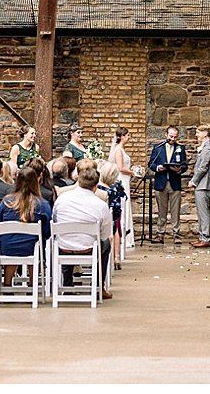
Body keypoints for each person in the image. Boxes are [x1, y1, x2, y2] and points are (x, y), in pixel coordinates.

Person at [52, 161, 114, 300]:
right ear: (95, 186)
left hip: (64, 246)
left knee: (65, 238)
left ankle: (68, 285)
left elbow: (55, 219)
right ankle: (99, 286)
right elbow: (105, 234)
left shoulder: (62, 198)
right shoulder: (100, 205)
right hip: (89, 247)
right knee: (105, 244)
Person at [0, 165, 52, 286]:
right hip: (32, 248)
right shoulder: (42, 204)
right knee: (38, 242)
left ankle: (7, 283)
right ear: (36, 181)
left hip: (7, 248)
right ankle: (33, 283)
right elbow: (47, 231)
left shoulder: (6, 202)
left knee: (11, 240)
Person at [148, 126, 188, 243]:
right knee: (161, 210)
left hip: (174, 182)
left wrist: (179, 169)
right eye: (171, 136)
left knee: (175, 210)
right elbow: (151, 163)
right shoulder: (158, 147)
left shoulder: (180, 148)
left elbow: (185, 165)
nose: (173, 139)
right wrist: (157, 168)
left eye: (175, 137)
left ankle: (176, 234)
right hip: (161, 182)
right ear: (166, 135)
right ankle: (160, 234)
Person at [108, 126, 138, 252]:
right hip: (122, 179)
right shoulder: (118, 150)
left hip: (125, 179)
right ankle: (123, 236)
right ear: (121, 137)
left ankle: (126, 236)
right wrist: (132, 172)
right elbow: (120, 167)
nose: (129, 137)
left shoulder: (121, 149)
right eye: (127, 135)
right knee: (123, 205)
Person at [190, 126, 210, 248]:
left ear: (205, 133)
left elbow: (203, 167)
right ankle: (202, 236)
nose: (196, 135)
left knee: (204, 212)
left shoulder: (208, 148)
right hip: (202, 183)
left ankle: (206, 237)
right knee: (201, 212)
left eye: (198, 132)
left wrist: (194, 181)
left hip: (204, 183)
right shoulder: (204, 147)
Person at [97, 162, 127, 269]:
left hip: (89, 227)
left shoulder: (95, 189)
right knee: (114, 228)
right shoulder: (112, 191)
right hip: (105, 227)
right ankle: (116, 257)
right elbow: (116, 213)